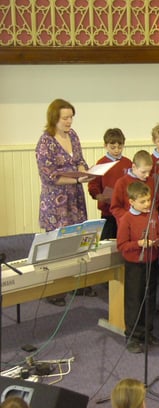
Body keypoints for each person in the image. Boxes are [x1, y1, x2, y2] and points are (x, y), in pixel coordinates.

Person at [35, 99, 91, 306]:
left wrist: (86, 171)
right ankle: (55, 290)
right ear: (54, 118)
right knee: (58, 243)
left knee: (77, 238)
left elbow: (80, 160)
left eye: (71, 117)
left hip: (75, 196)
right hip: (56, 201)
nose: (69, 122)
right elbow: (49, 176)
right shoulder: (45, 142)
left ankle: (77, 283)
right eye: (65, 118)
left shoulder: (73, 135)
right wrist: (77, 179)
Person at [116, 181, 159, 353]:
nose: (147, 204)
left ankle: (147, 332)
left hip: (151, 261)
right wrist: (138, 243)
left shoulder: (152, 214)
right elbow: (121, 245)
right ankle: (132, 336)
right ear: (131, 202)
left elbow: (157, 232)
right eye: (142, 201)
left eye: (148, 200)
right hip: (135, 265)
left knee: (150, 299)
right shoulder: (126, 219)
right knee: (134, 300)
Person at [88, 127, 132, 240]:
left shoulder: (128, 163)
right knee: (107, 241)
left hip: (125, 210)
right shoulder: (101, 163)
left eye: (120, 147)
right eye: (113, 147)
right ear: (105, 145)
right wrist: (98, 196)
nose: (117, 150)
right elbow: (93, 184)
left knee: (124, 238)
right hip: (108, 211)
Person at [110, 150, 156, 223]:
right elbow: (115, 208)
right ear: (134, 167)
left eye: (149, 171)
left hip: (147, 223)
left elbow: (154, 203)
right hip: (129, 224)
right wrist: (130, 218)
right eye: (143, 172)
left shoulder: (150, 181)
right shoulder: (122, 182)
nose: (147, 175)